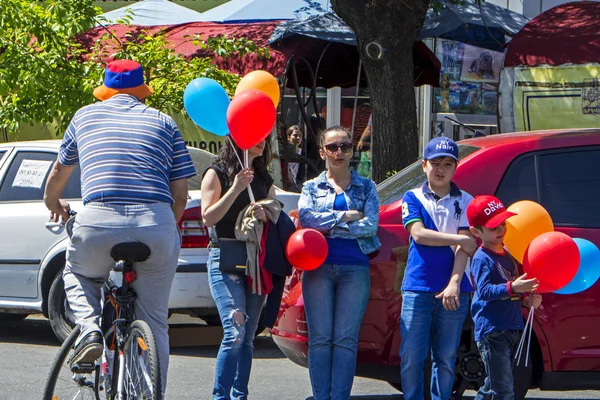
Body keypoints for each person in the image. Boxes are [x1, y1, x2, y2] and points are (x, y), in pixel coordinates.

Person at [43, 59, 196, 396]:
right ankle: (149, 390)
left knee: (79, 273)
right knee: (155, 323)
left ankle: (88, 330)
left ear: (105, 90)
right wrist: (165, 229)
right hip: (155, 223)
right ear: (142, 91)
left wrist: (53, 204)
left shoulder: (84, 116)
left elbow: (58, 175)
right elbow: (181, 196)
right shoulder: (165, 122)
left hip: (98, 220)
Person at [298, 126, 381, 400]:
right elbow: (307, 219)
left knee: (345, 340)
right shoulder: (310, 187)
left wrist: (330, 227)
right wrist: (346, 217)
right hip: (318, 268)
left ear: (352, 149)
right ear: (322, 152)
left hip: (355, 268)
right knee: (320, 339)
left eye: (345, 146)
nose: (339, 152)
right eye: (332, 147)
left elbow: (370, 226)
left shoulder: (367, 186)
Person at [399, 136, 478, 400]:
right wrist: (459, 238)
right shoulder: (412, 197)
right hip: (417, 287)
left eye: (447, 164)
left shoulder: (467, 200)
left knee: (445, 357)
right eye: (435, 163)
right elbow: (420, 234)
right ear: (423, 165)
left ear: (456, 167)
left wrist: (454, 282)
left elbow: (464, 250)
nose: (441, 169)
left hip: (455, 290)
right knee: (411, 355)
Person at [200, 137, 275, 400]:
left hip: (256, 259)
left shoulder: (264, 177)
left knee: (248, 337)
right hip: (225, 256)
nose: (262, 141)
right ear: (238, 138)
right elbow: (208, 217)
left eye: (265, 137)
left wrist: (267, 213)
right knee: (234, 332)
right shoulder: (216, 171)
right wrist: (234, 189)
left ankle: (239, 395)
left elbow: (275, 212)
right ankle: (220, 397)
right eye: (255, 136)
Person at [466, 195, 542, 400]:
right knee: (503, 390)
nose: (501, 230)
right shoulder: (482, 258)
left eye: (503, 223)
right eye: (493, 227)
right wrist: (513, 287)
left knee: (494, 385)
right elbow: (484, 291)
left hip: (512, 327)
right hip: (492, 331)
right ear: (476, 232)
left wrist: (527, 300)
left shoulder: (508, 252)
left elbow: (514, 289)